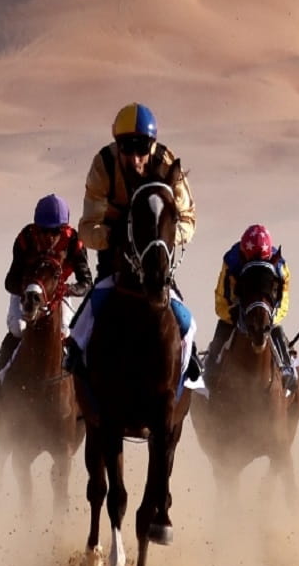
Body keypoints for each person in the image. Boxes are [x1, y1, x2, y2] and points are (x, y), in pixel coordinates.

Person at [69, 104, 202, 384]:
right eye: (126, 148)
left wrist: (163, 238)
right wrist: (115, 236)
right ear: (117, 145)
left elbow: (188, 219)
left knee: (185, 320)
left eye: (141, 148)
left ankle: (192, 361)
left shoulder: (166, 163)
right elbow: (87, 228)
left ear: (152, 145)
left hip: (156, 258)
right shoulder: (103, 165)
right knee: (89, 310)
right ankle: (73, 357)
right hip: (116, 257)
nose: (135, 158)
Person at [0, 194, 91, 388]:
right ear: (36, 228)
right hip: (26, 292)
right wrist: (28, 290)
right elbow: (10, 281)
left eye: (55, 231)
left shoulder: (74, 242)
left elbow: (86, 283)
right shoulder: (25, 239)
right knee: (18, 328)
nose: (49, 237)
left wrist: (66, 289)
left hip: (57, 292)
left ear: (64, 229)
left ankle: (81, 385)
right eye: (44, 231)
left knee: (66, 330)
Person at [207, 224, 297, 393]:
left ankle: (286, 368)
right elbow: (221, 299)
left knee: (276, 329)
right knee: (223, 327)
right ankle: (210, 370)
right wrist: (232, 315)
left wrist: (273, 316)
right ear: (244, 257)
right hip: (238, 309)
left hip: (266, 312)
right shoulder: (232, 262)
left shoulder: (280, 267)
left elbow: (284, 301)